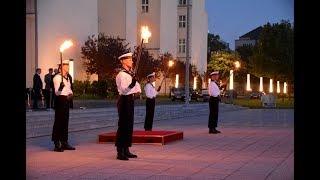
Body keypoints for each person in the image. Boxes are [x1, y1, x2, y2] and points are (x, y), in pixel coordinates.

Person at [115, 52, 141, 160]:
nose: (132, 61)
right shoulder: (121, 74)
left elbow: (138, 87)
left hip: (130, 100)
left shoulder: (130, 74)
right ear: (123, 61)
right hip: (124, 100)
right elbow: (123, 90)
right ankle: (120, 151)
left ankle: (126, 149)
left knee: (129, 126)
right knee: (123, 125)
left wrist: (137, 90)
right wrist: (132, 85)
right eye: (130, 59)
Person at [52, 60, 76, 152]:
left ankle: (64, 142)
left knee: (65, 121)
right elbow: (57, 93)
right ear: (61, 67)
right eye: (67, 66)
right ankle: (57, 143)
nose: (68, 67)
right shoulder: (57, 78)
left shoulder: (68, 77)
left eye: (68, 66)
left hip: (67, 100)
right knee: (58, 121)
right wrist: (61, 87)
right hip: (60, 100)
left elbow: (69, 89)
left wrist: (71, 94)